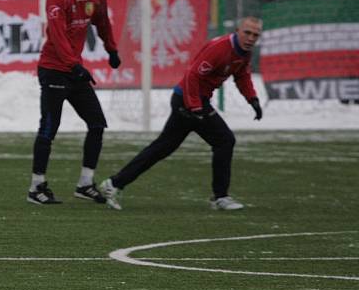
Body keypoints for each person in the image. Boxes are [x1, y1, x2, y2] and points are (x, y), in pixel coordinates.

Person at [100, 16, 264, 211]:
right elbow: (192, 76)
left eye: (255, 35)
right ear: (237, 30)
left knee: (162, 148)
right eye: (247, 32)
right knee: (224, 140)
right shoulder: (220, 48)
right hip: (188, 100)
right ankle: (220, 197)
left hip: (191, 101)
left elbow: (242, 75)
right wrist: (195, 107)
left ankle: (114, 183)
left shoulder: (244, 52)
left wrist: (252, 99)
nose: (251, 38)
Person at [28, 0, 121, 205]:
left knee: (97, 124)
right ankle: (36, 187)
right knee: (49, 127)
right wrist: (73, 65)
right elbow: (57, 35)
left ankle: (85, 183)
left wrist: (111, 48)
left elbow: (103, 23)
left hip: (74, 70)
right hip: (54, 68)